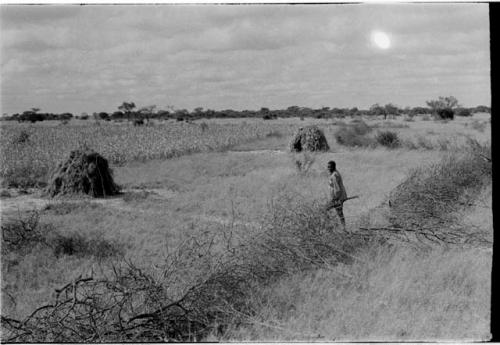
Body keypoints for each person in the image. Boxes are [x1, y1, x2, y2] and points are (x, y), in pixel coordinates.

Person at [326, 160, 347, 229]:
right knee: (340, 213)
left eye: (330, 167)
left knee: (325, 209)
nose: (328, 168)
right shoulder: (335, 173)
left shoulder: (334, 175)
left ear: (333, 167)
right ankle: (343, 228)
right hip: (339, 197)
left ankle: (330, 226)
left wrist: (335, 199)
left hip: (337, 198)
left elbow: (337, 189)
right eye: (328, 167)